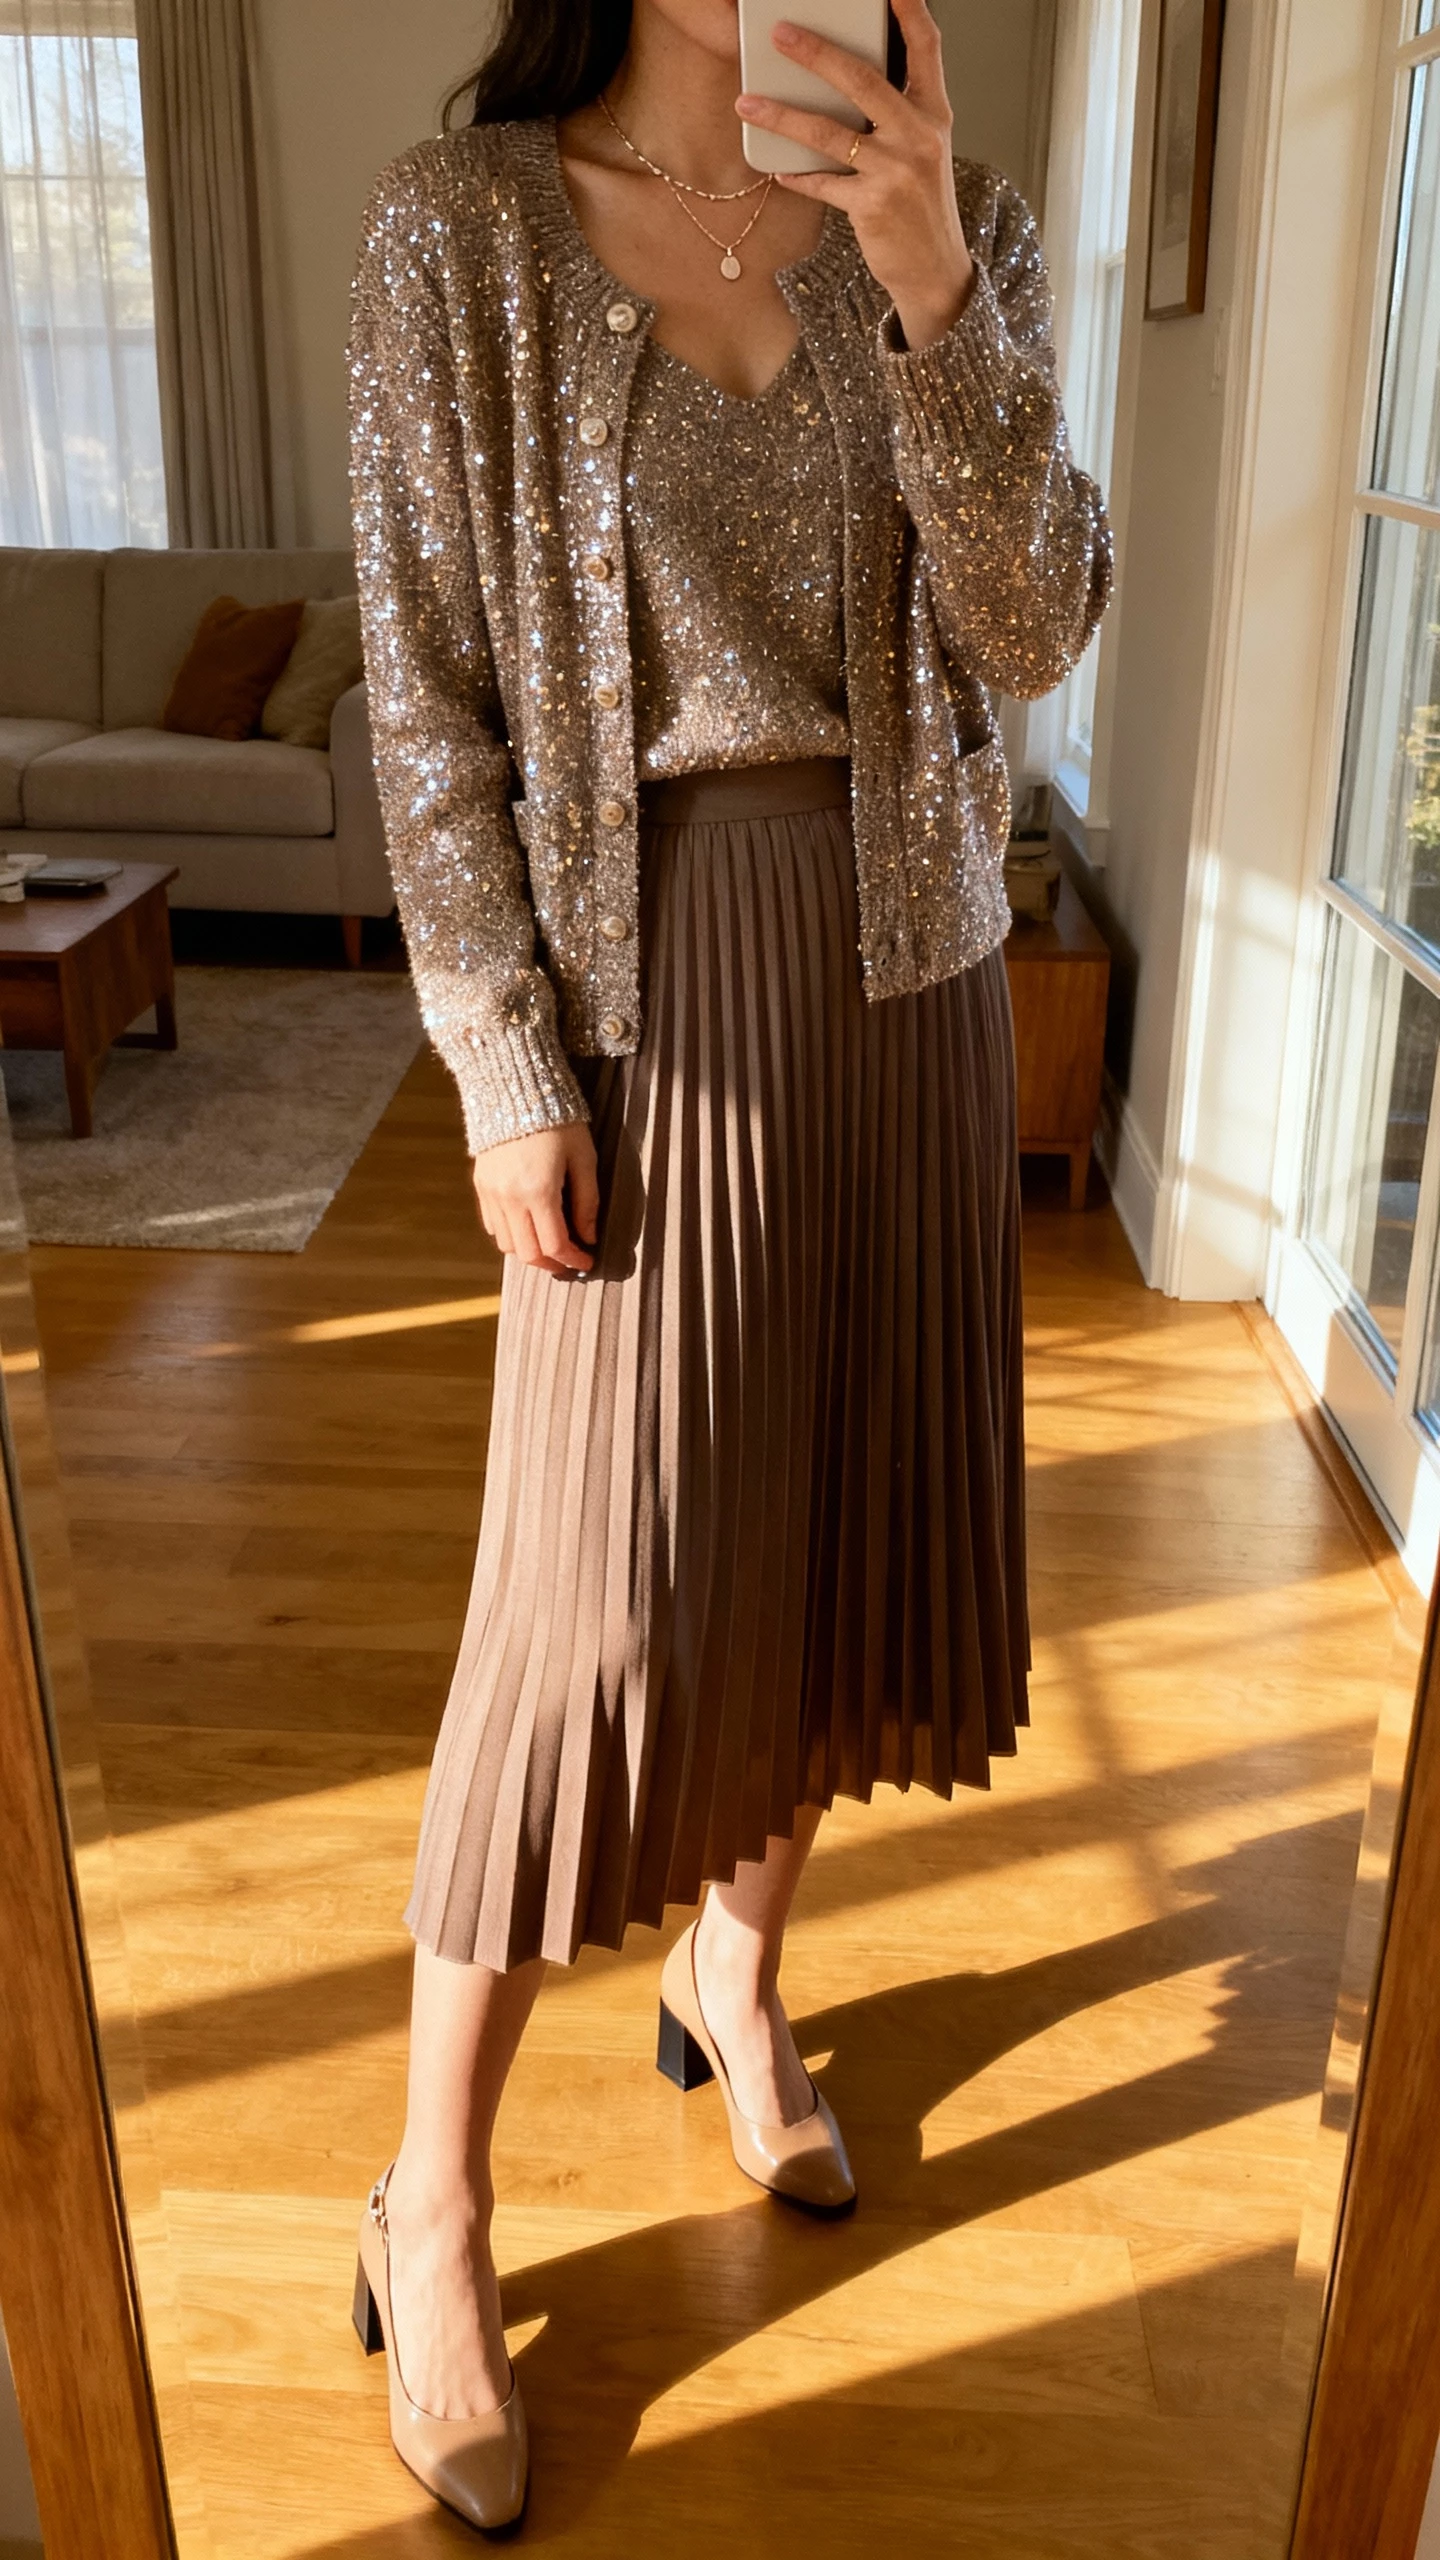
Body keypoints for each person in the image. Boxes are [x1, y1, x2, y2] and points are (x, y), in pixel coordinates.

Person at [346, 0, 1111, 2530]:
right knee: (585, 1620)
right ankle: (432, 2199)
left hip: (916, 981)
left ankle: (739, 1972)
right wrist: (501, 1055)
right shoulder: (462, 233)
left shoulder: (956, 224)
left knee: (830, 1542)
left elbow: (1035, 628)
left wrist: (934, 285)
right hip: (645, 988)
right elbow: (427, 699)